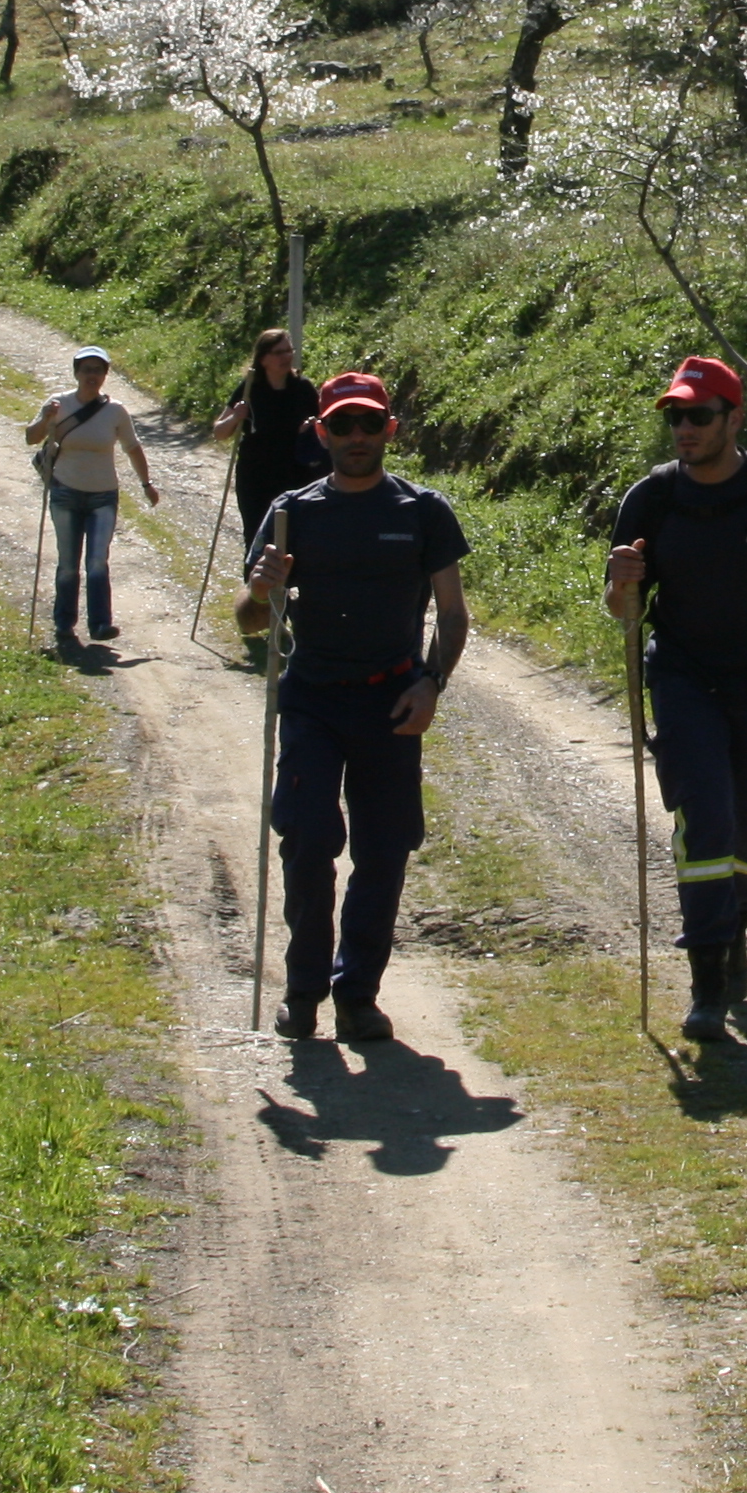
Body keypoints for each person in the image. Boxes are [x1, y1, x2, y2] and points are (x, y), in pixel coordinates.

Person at [603, 355, 747, 1042]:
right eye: (676, 415)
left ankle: (732, 930)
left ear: (734, 418)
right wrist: (621, 583)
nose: (684, 428)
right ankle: (705, 982)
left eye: (698, 416)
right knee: (703, 817)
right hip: (681, 679)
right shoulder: (651, 499)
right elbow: (624, 612)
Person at [244, 373, 468, 1044]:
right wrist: (261, 591)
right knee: (308, 839)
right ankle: (304, 990)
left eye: (370, 424)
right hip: (312, 696)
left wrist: (432, 683)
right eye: (342, 426)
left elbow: (453, 616)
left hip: (391, 698)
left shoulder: (423, 511)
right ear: (322, 433)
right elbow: (251, 620)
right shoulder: (292, 512)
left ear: (390, 430)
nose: (358, 437)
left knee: (383, 850)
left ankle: (357, 995)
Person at [27, 346, 159, 646]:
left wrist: (146, 484)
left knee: (98, 560)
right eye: (86, 369)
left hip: (103, 496)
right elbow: (30, 437)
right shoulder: (57, 404)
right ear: (76, 373)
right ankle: (64, 623)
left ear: (105, 376)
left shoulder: (115, 411)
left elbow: (132, 448)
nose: (92, 376)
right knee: (68, 562)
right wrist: (45, 419)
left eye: (97, 370)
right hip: (65, 492)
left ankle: (100, 624)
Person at [208, 327, 326, 547]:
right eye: (279, 352)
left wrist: (312, 426)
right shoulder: (250, 389)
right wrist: (235, 417)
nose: (287, 357)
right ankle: (258, 579)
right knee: (257, 531)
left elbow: (326, 425)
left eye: (288, 351)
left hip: (296, 471)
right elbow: (219, 432)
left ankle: (290, 579)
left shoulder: (303, 388)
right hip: (256, 475)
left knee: (295, 532)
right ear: (263, 359)